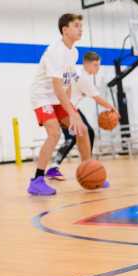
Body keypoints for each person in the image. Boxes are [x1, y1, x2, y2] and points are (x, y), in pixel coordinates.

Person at [27, 13, 90, 197]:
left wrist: (71, 109)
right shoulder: (56, 51)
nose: (81, 28)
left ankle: (89, 168)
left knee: (82, 129)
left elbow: (67, 83)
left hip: (57, 96)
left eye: (81, 25)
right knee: (54, 133)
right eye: (76, 25)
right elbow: (56, 86)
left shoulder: (74, 52)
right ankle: (37, 181)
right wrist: (71, 112)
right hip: (42, 96)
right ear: (65, 30)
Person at [55, 51, 114, 176]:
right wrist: (112, 108)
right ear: (86, 64)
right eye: (96, 65)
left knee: (86, 133)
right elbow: (97, 98)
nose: (98, 68)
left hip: (71, 108)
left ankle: (86, 164)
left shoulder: (80, 73)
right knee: (74, 137)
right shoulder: (84, 78)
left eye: (99, 65)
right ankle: (58, 166)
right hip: (65, 108)